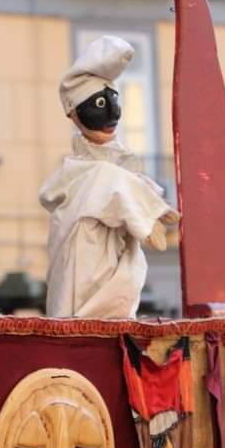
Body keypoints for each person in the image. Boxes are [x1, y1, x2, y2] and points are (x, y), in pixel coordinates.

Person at [39, 35, 179, 319]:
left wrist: (145, 202)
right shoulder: (87, 174)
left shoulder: (110, 170)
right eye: (100, 104)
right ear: (73, 113)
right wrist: (149, 210)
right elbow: (108, 182)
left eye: (114, 101)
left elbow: (116, 182)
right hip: (83, 268)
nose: (112, 114)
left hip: (110, 265)